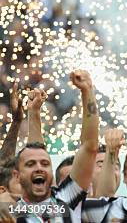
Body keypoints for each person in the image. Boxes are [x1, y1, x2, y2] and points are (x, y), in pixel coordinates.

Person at [0, 70, 100, 222]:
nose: (39, 167)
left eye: (45, 164)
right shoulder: (11, 210)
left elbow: (90, 146)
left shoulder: (66, 199)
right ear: (17, 175)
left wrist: (87, 91)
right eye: (30, 164)